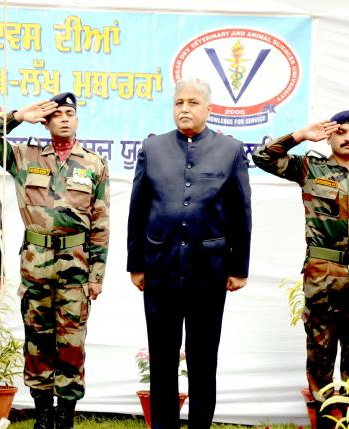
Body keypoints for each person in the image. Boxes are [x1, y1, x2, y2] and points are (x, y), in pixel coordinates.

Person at [252, 110, 349, 428]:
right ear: (330, 136)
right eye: (341, 131)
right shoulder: (309, 168)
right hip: (323, 277)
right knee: (320, 357)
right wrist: (301, 135)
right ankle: (327, 424)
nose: (348, 137)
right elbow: (262, 158)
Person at [0, 92, 109, 429]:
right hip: (36, 263)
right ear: (46, 121)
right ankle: (43, 412)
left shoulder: (93, 164)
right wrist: (19, 116)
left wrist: (97, 274)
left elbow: (101, 222)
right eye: (58, 114)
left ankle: (65, 414)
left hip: (76, 266)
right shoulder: (25, 156)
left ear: (77, 120)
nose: (65, 118)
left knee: (72, 340)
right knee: (37, 337)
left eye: (70, 114)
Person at [127, 78, 252, 429]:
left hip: (209, 272)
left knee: (202, 360)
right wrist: (135, 264)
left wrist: (238, 267)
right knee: (162, 361)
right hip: (159, 269)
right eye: (179, 102)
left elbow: (241, 213)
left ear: (208, 109)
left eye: (193, 102)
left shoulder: (230, 150)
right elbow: (138, 209)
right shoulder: (153, 149)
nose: (185, 108)